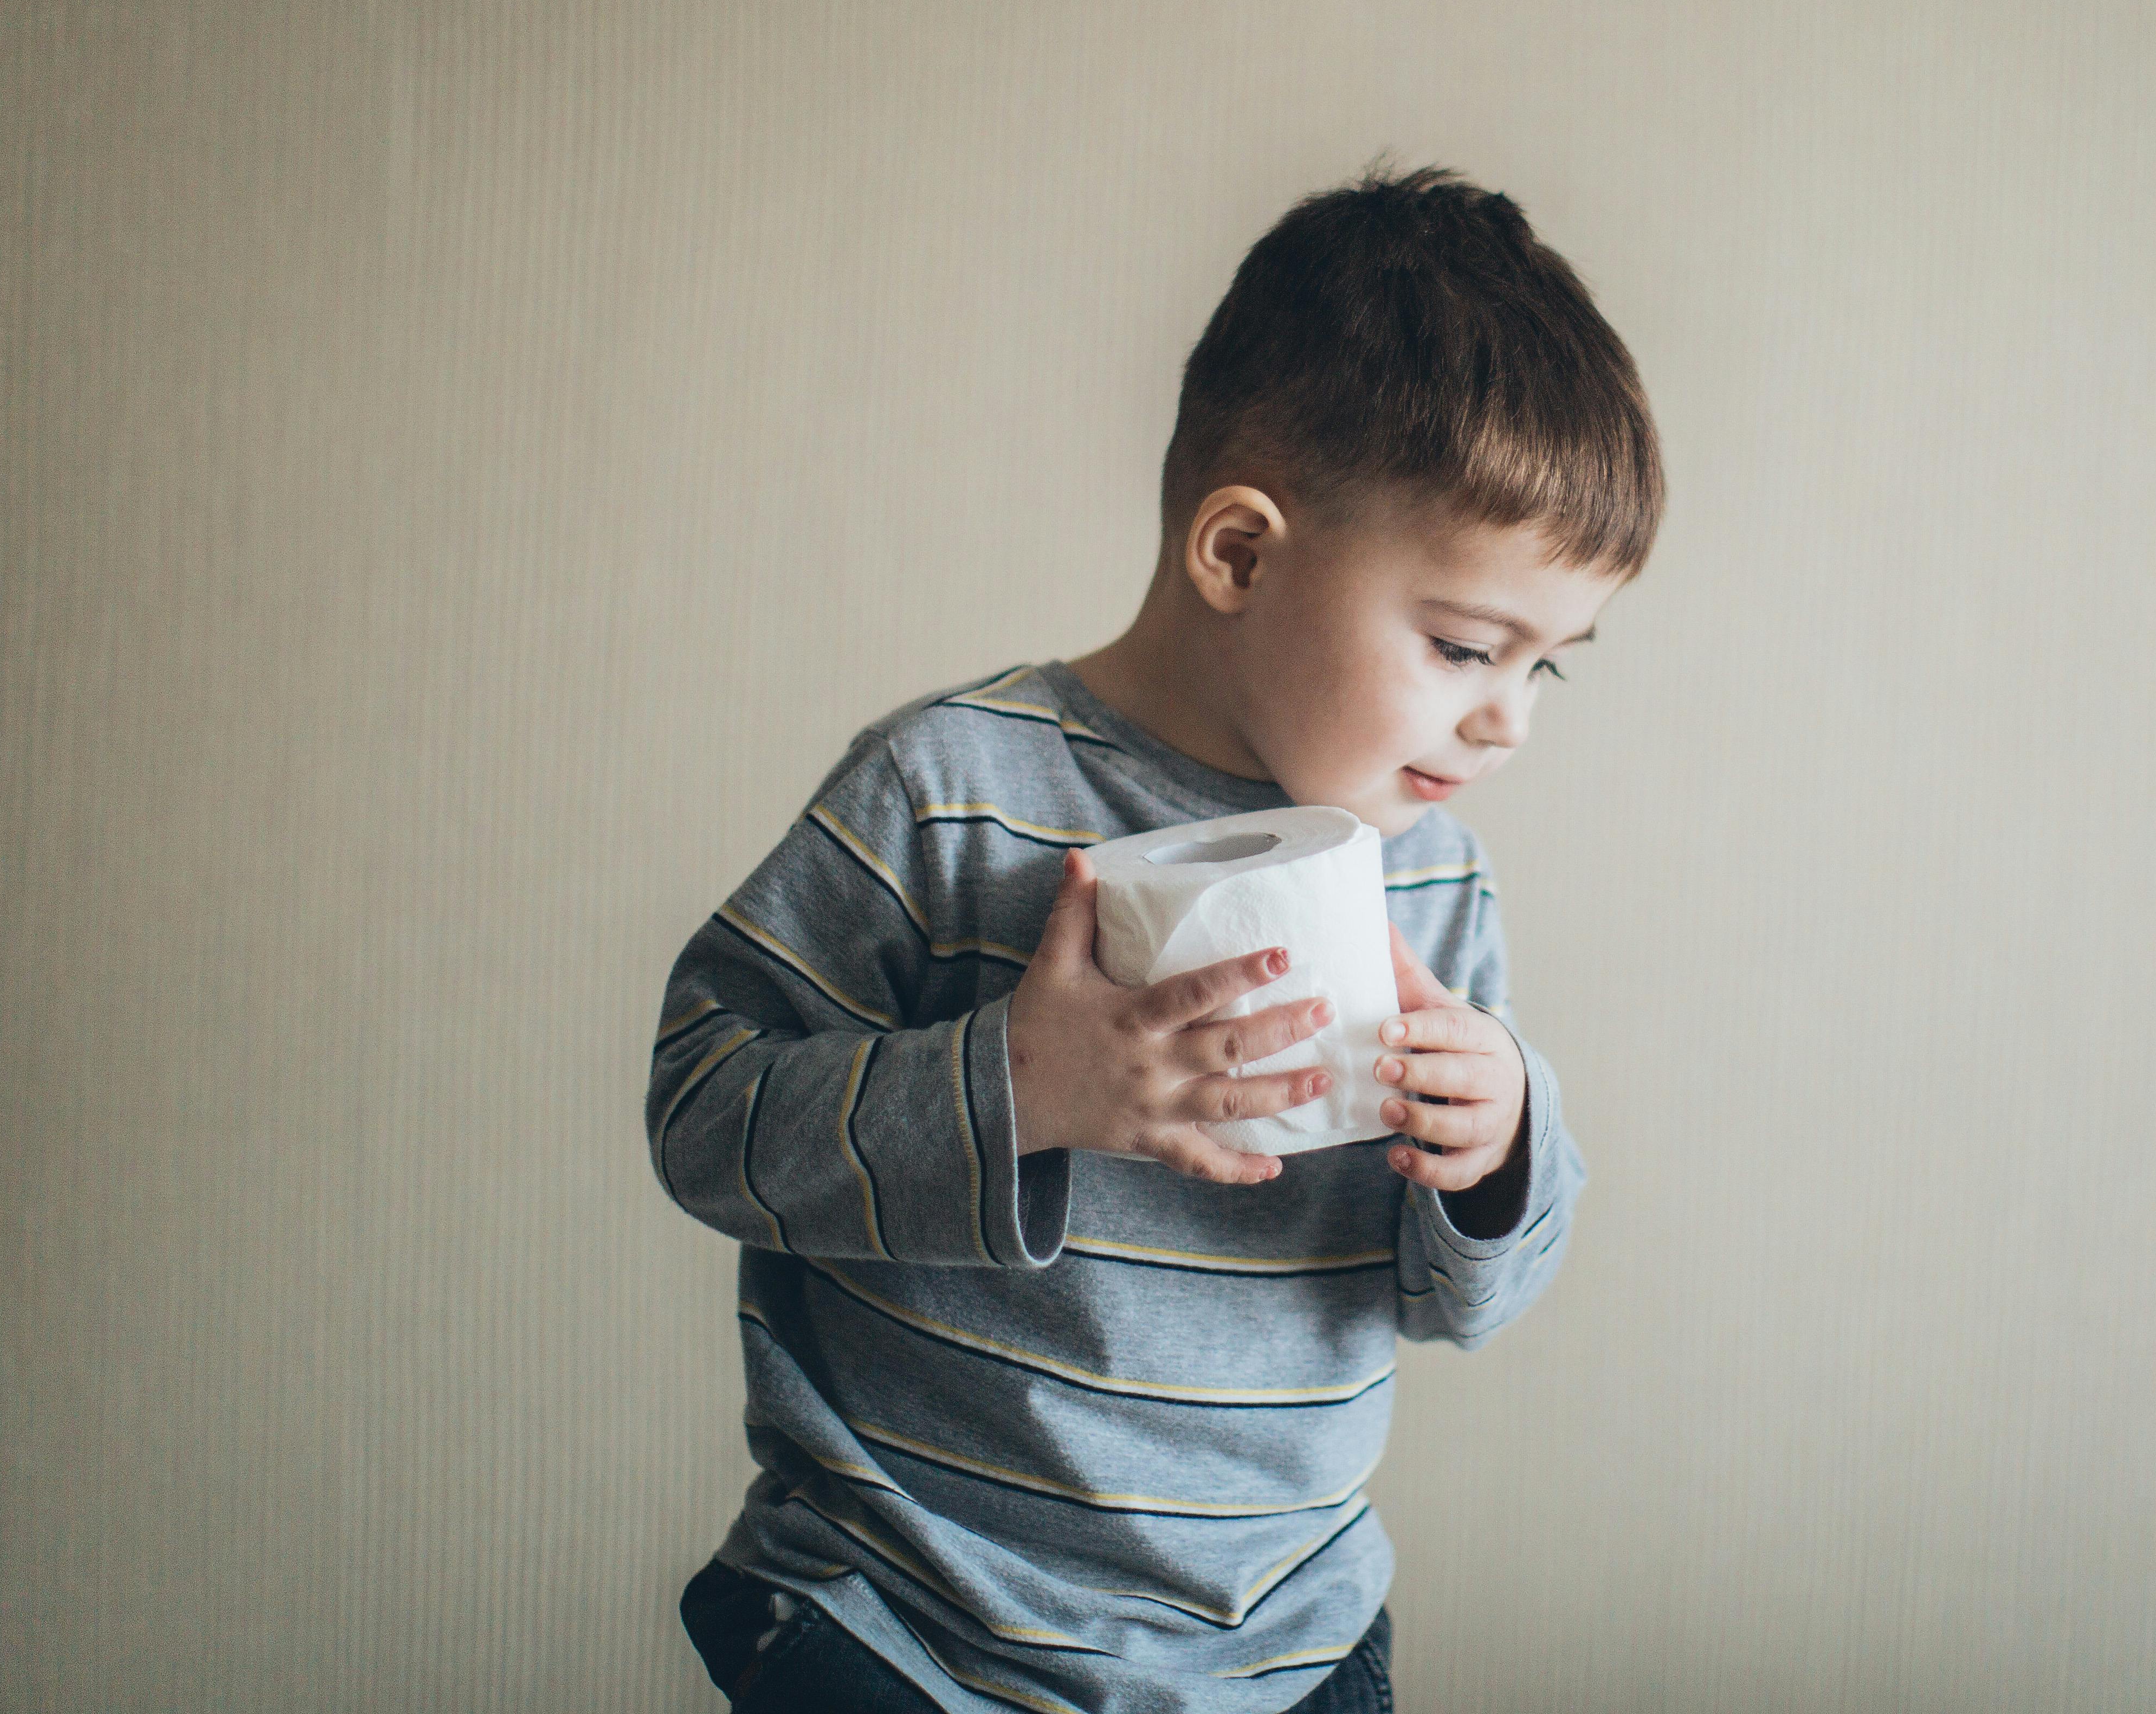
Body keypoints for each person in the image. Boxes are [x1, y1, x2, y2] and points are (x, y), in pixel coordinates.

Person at [647, 165, 1664, 1712]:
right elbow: (704, 1114)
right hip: (904, 1622)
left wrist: (1502, 1144)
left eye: (1549, 671)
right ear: (1241, 556)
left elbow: (1453, 1301)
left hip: (1281, 1646)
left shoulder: (1431, 882)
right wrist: (1018, 1087)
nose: (1505, 722)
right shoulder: (951, 792)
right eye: (1466, 646)